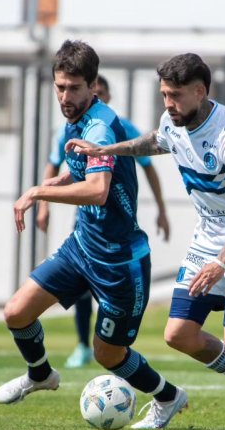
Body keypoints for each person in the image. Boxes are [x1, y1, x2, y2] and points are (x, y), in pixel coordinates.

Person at [68, 53, 225, 430]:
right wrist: (106, 151)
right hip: (207, 241)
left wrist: (222, 262)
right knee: (179, 334)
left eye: (176, 95)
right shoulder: (174, 120)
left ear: (200, 91)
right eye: (164, 94)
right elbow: (155, 140)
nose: (168, 103)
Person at [0, 40, 187, 430]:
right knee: (16, 311)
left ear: (93, 85)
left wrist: (38, 192)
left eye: (75, 88)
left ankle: (168, 396)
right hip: (82, 247)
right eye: (60, 87)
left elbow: (97, 189)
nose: (66, 96)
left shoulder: (100, 125)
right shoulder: (74, 120)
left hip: (120, 262)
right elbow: (77, 174)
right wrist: (49, 184)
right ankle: (39, 374)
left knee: (108, 354)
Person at [37, 74, 171, 369]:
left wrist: (162, 208)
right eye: (62, 88)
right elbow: (54, 163)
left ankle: (102, 345)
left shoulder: (118, 127)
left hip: (117, 234)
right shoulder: (69, 129)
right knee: (81, 286)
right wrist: (43, 204)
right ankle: (83, 345)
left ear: (103, 96)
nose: (67, 96)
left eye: (100, 91)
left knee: (106, 303)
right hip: (85, 228)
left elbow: (148, 167)